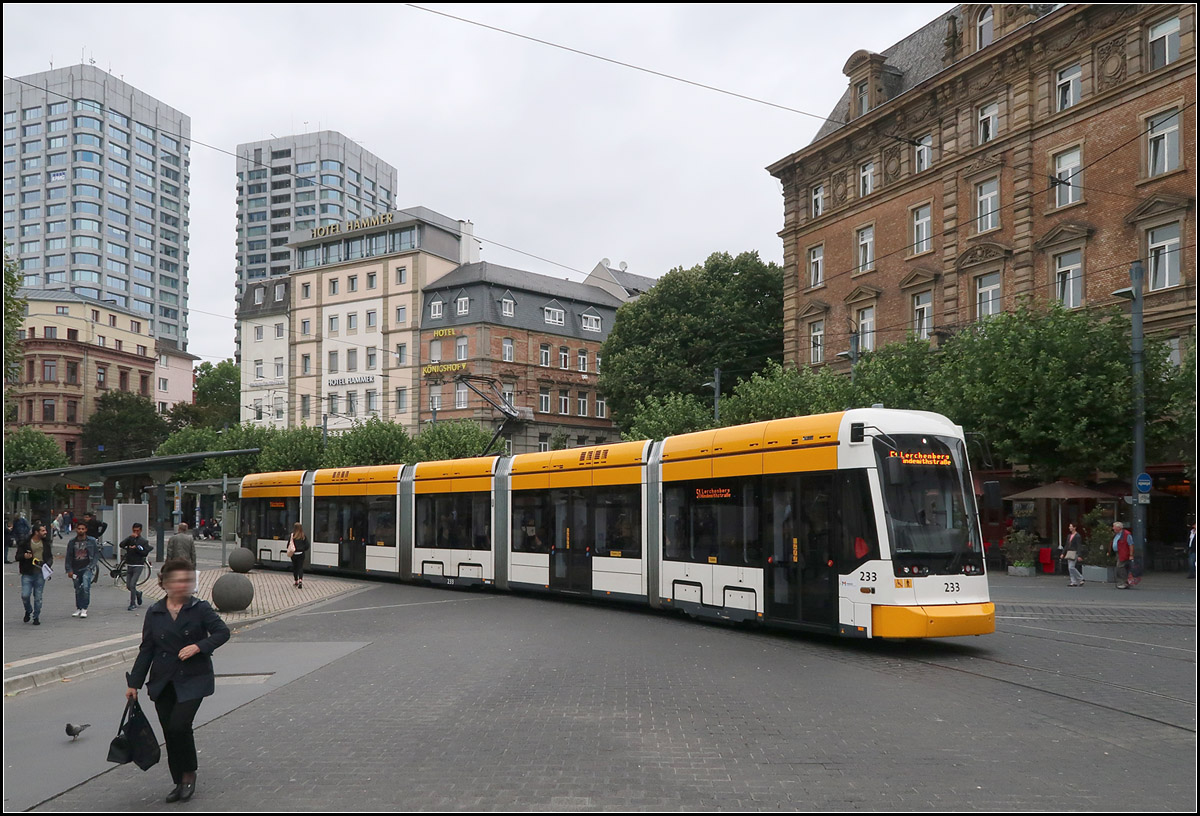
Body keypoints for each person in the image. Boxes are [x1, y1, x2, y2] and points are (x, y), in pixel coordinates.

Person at [126, 559, 230, 804]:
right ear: (166, 584)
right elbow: (147, 649)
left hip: (194, 678)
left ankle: (188, 773)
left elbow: (221, 632)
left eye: (188, 580)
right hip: (163, 681)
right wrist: (134, 683)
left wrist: (198, 646)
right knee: (169, 731)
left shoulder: (200, 608)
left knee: (179, 726)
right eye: (179, 580)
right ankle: (178, 780)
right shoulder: (155, 612)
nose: (184, 585)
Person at [17, 521, 53, 625]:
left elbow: (49, 557)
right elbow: (17, 556)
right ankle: (28, 610)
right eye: (42, 530)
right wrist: (24, 556)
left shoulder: (46, 543)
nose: (45, 532)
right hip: (27, 572)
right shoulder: (25, 543)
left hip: (40, 573)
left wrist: (48, 565)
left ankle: (36, 616)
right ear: (36, 532)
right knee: (25, 595)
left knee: (38, 597)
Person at [65, 521, 99, 618]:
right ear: (76, 529)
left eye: (82, 529)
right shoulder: (72, 542)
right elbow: (68, 556)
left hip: (87, 567)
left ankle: (84, 608)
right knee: (77, 588)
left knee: (85, 587)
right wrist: (69, 570)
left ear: (86, 530)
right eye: (79, 529)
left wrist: (91, 566)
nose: (80, 530)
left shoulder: (91, 541)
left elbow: (96, 554)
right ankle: (78, 608)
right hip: (75, 568)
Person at [119, 522, 152, 611]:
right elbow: (121, 545)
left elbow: (144, 552)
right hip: (130, 564)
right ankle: (138, 594)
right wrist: (129, 538)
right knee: (128, 586)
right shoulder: (130, 539)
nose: (136, 532)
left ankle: (132, 603)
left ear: (141, 531)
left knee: (133, 584)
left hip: (138, 564)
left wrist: (136, 547)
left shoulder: (143, 541)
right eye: (134, 530)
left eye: (137, 531)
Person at [1113, 521, 1135, 589]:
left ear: (1119, 528)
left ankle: (1124, 582)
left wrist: (1131, 555)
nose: (1113, 528)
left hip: (1123, 553)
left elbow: (1131, 545)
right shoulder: (1117, 534)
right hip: (1118, 553)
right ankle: (1123, 582)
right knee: (1120, 567)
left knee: (1120, 567)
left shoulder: (1127, 534)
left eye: (1114, 527)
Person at [1062, 522, 1085, 587]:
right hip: (1069, 552)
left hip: (1074, 552)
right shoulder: (1069, 536)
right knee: (1070, 567)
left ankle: (1080, 578)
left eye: (1071, 526)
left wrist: (1079, 555)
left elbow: (1079, 546)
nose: (1069, 527)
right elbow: (1066, 545)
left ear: (1074, 527)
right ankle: (1073, 581)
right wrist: (1063, 553)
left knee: (1071, 567)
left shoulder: (1077, 536)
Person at [287, 522, 309, 589]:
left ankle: (296, 580)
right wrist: (303, 549)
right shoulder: (303, 536)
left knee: (295, 567)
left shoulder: (292, 536)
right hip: (301, 554)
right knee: (300, 567)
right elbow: (307, 545)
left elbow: (288, 545)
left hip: (294, 554)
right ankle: (300, 580)